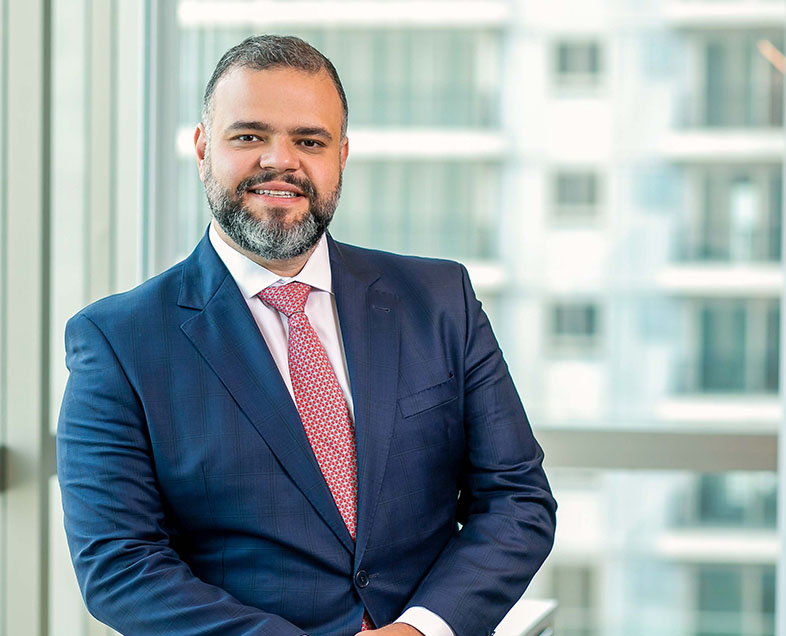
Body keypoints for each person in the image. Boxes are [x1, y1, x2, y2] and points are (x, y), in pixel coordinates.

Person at [57, 35, 556, 636]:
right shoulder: (119, 342)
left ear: (341, 156)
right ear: (201, 148)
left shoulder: (440, 299)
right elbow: (120, 564)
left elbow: (517, 500)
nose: (279, 161)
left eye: (309, 141)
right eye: (248, 136)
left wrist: (422, 629)